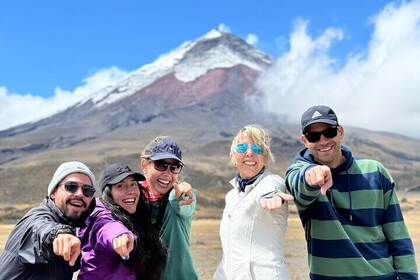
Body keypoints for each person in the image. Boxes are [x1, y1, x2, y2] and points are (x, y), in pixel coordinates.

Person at [285, 105, 418, 280]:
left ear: (340, 132)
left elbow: (397, 233)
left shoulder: (375, 171)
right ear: (304, 140)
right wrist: (312, 176)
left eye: (329, 132)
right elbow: (299, 184)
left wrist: (409, 277)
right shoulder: (299, 173)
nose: (323, 141)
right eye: (313, 136)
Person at [213, 124, 294, 280]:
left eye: (257, 149)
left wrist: (270, 196)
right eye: (242, 147)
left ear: (265, 157)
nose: (249, 153)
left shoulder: (272, 182)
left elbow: (270, 189)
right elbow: (229, 255)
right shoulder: (231, 195)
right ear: (233, 156)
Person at [0, 161, 96, 280]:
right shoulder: (36, 217)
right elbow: (40, 228)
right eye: (71, 187)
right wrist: (60, 233)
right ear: (54, 192)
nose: (80, 194)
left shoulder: (77, 226)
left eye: (87, 190)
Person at [78, 163, 167, 280]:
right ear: (108, 193)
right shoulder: (97, 214)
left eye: (133, 184)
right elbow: (105, 226)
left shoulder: (136, 216)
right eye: (120, 186)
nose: (130, 191)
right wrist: (119, 235)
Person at [140, 136, 199, 280]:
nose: (168, 172)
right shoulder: (132, 198)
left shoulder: (183, 195)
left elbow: (183, 206)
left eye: (175, 167)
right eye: (160, 164)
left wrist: (179, 198)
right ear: (144, 165)